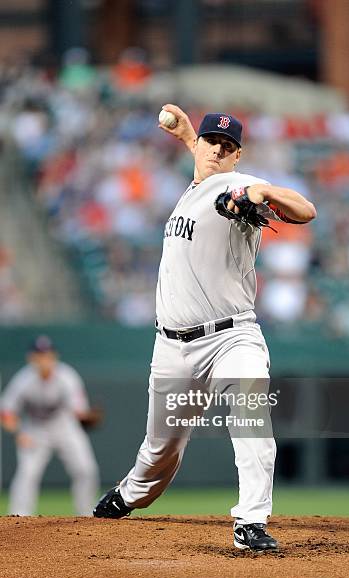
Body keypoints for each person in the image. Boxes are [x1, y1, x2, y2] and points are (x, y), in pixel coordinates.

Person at [94, 105, 316, 551]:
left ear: (239, 156)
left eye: (230, 146)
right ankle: (129, 494)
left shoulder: (238, 185)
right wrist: (187, 134)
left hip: (232, 337)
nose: (220, 148)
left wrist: (259, 192)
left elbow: (305, 210)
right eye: (214, 141)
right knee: (160, 452)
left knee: (252, 420)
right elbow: (202, 160)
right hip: (173, 347)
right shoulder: (195, 182)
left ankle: (250, 521)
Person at [0, 335, 99, 516]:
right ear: (31, 358)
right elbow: (6, 412)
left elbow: (78, 410)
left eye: (47, 354)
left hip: (64, 427)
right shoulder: (23, 380)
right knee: (27, 474)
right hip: (35, 430)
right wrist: (18, 433)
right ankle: (18, 518)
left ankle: (87, 515)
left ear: (55, 356)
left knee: (85, 469)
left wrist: (86, 416)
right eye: (39, 355)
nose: (44, 359)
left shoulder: (67, 377)